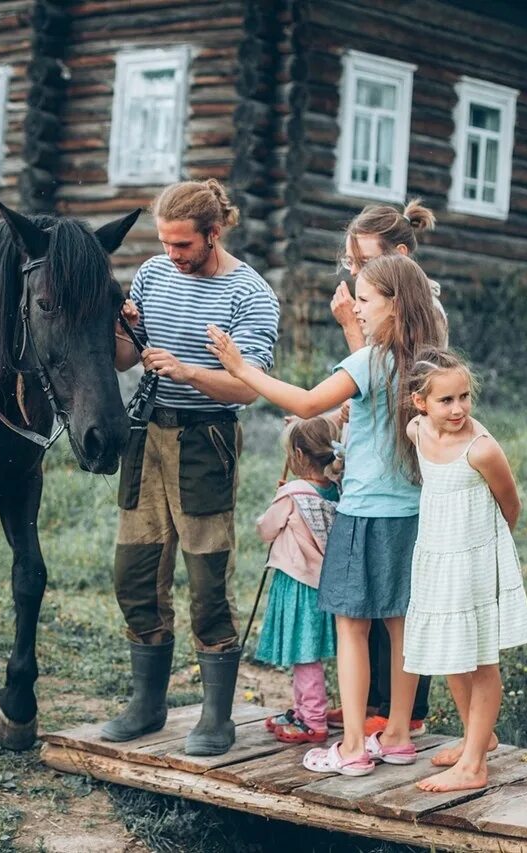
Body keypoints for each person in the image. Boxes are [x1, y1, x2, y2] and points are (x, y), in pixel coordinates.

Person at [206, 254, 443, 776]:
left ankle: (355, 748)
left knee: (352, 628)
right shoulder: (428, 361)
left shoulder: (370, 362)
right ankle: (399, 737)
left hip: (363, 516)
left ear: (393, 304)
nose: (355, 310)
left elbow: (309, 404)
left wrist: (243, 369)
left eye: (363, 300)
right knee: (400, 626)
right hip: (412, 516)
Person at [101, 179, 280, 757]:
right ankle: (147, 704)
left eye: (182, 245)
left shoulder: (250, 294)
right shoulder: (154, 275)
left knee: (207, 580)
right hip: (147, 434)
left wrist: (188, 371)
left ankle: (215, 717)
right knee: (135, 570)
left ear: (214, 232)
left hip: (207, 440)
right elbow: (127, 357)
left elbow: (249, 388)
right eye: (165, 243)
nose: (172, 255)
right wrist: (119, 325)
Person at [325, 199, 442, 738]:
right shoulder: (386, 300)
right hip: (378, 474)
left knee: (392, 607)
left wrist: (353, 329)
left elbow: (392, 375)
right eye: (350, 264)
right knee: (379, 606)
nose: (354, 275)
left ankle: (401, 715)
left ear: (397, 258)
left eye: (362, 262)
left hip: (393, 485)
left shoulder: (424, 310)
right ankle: (380, 711)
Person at [403, 348, 527, 792]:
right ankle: (479, 736)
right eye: (446, 400)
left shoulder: (482, 449)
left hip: (475, 561)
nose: (458, 408)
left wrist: (484, 553)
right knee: (450, 652)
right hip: (438, 559)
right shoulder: (416, 431)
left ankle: (475, 764)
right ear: (420, 403)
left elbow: (510, 505)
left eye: (464, 397)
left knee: (480, 662)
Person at [255, 416, 343, 744]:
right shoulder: (336, 489)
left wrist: (278, 500)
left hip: (296, 583)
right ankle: (301, 710)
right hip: (323, 583)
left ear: (299, 456)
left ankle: (314, 719)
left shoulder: (292, 493)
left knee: (304, 655)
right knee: (305, 652)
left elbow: (266, 530)